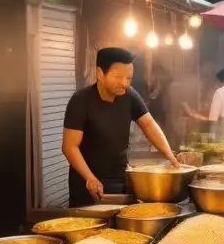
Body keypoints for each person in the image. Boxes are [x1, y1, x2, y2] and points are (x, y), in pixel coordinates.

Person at [62, 47, 180, 206]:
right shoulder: (80, 101)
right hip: (87, 183)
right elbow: (70, 146)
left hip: (119, 178)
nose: (124, 83)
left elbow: (148, 124)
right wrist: (89, 177)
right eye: (118, 77)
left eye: (129, 78)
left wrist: (170, 155)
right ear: (100, 73)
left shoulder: (129, 95)